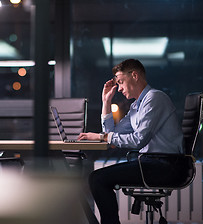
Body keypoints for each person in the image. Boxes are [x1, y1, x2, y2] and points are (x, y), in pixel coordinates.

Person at [78, 59, 184, 224]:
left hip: (165, 165)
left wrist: (101, 137)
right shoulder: (137, 106)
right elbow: (112, 135)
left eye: (120, 82)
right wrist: (106, 102)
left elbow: (138, 141)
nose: (119, 88)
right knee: (96, 178)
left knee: (97, 179)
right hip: (151, 163)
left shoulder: (154, 98)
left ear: (134, 75)